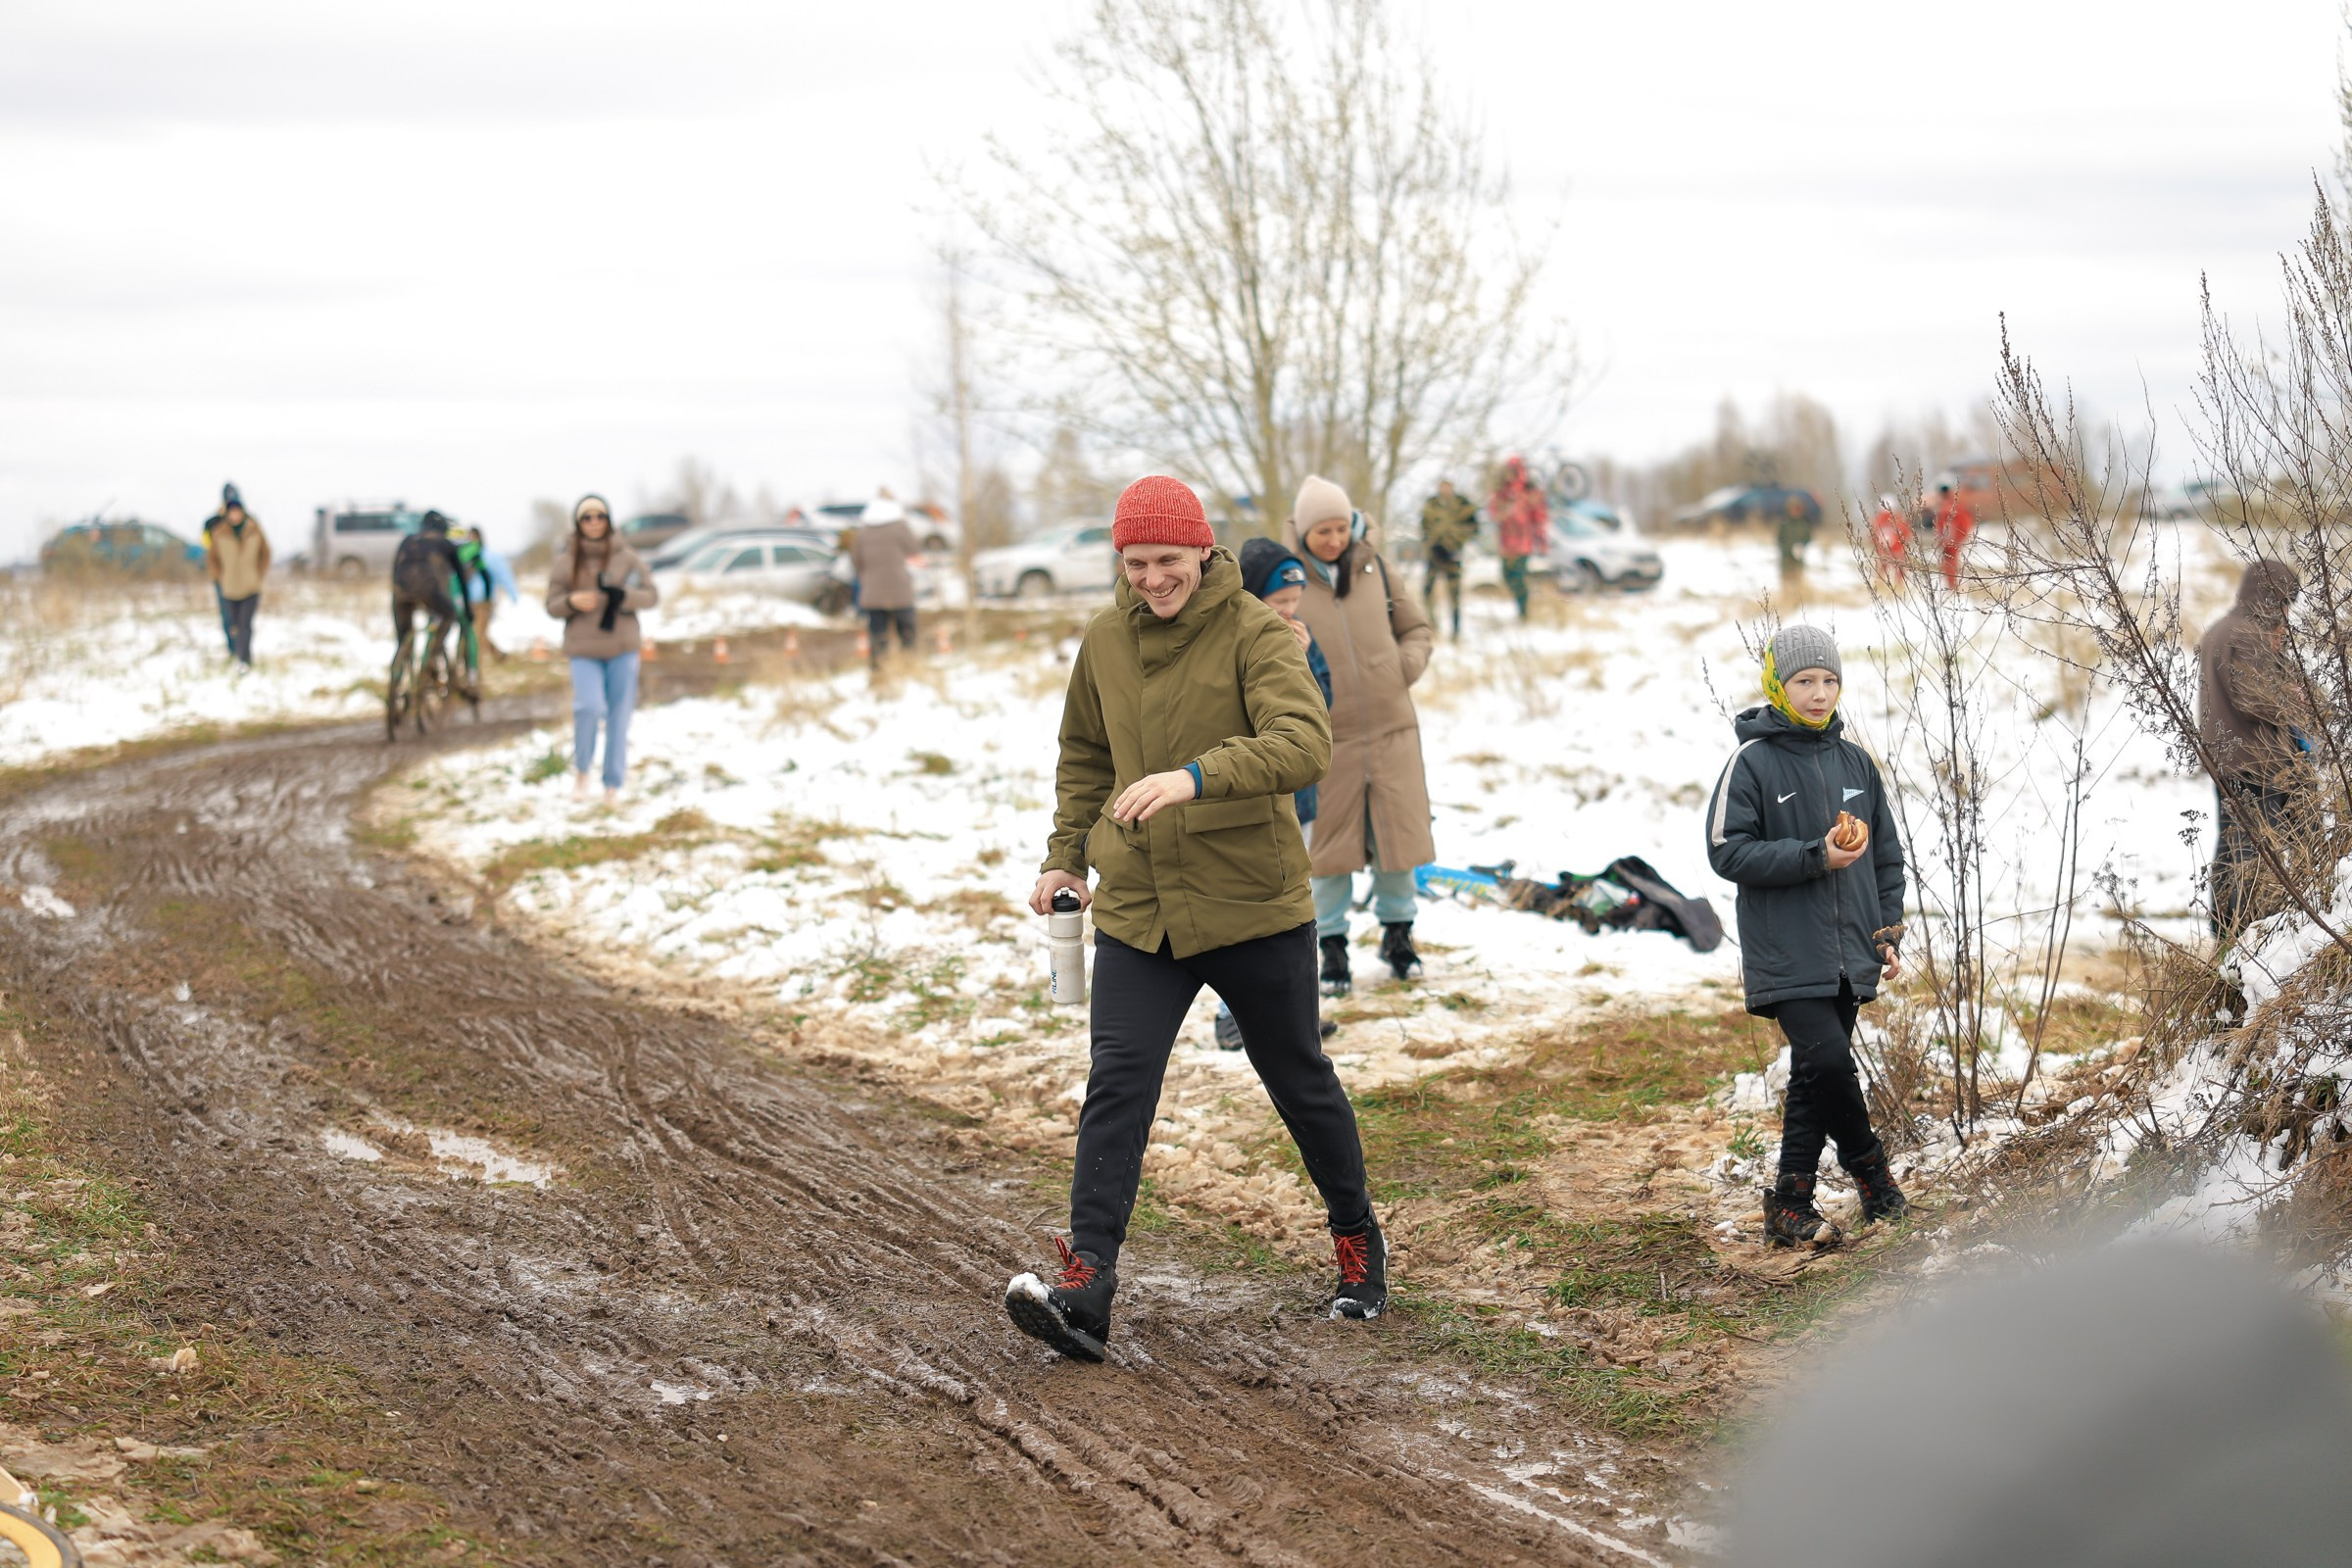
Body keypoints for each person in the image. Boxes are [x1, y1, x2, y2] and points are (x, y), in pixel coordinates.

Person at [1007, 475, 1383, 1362]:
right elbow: (1085, 757)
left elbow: (1304, 742)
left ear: (1204, 552)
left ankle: (1357, 1236)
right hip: (1141, 907)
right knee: (1120, 1079)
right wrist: (1066, 853)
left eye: (1167, 562)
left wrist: (1194, 776)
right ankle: (1087, 1281)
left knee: (1297, 1077)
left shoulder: (1256, 631)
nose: (1151, 580)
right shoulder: (1103, 641)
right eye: (1135, 564)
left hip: (1249, 899)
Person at [1705, 624, 1907, 1250]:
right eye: (1804, 681)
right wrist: (1813, 856)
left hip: (1850, 951)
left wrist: (1888, 931)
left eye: (1829, 681)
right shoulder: (1753, 762)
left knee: (1815, 1077)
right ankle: (1873, 1173)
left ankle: (1790, 1203)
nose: (1819, 694)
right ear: (1777, 684)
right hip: (1786, 950)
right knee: (1827, 1060)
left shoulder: (1856, 764)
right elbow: (1726, 851)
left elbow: (1887, 858)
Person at [1283, 475, 1436, 994]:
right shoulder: (1288, 580)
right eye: (1321, 530)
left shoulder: (1375, 566)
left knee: (1398, 841)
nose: (1333, 539)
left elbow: (1416, 628)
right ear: (1303, 532)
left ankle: (1399, 937)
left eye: (1340, 527)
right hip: (1327, 739)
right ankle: (1332, 949)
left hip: (1392, 728)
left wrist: (1401, 667)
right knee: (1328, 851)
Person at [1212, 537, 1340, 1052]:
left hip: (1298, 799)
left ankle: (1295, 1017)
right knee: (1245, 911)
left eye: (1294, 602)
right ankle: (1229, 1015)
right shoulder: (1233, 640)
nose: (1288, 612)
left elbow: (1321, 710)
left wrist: (1303, 660)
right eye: (1277, 602)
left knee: (1292, 910)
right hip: (1246, 800)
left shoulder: (1303, 640)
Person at [2198, 560, 2304, 937]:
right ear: (2271, 598)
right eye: (2286, 602)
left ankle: (2224, 929)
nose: (2287, 612)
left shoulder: (2222, 629)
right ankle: (2244, 930)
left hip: (2227, 757)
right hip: (2254, 760)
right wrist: (2298, 698)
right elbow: (2256, 699)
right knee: (2252, 851)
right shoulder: (2248, 635)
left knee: (2233, 844)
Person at [545, 494, 660, 803]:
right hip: (583, 648)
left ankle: (613, 783)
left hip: (622, 646)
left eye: (599, 516)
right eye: (587, 517)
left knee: (619, 715)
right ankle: (582, 771)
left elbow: (651, 595)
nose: (594, 522)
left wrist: (625, 597)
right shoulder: (566, 560)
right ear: (578, 523)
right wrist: (570, 602)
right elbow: (551, 605)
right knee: (589, 707)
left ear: (608, 520)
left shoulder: (627, 557)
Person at [390, 511, 486, 696]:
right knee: (448, 615)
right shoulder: (444, 543)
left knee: (403, 639)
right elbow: (462, 581)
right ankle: (432, 657)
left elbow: (395, 572)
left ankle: (397, 677)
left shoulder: (407, 541)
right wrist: (467, 609)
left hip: (401, 591)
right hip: (429, 590)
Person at [848, 497, 922, 666]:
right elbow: (914, 549)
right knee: (907, 633)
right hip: (900, 590)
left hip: (872, 593)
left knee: (877, 636)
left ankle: (879, 671)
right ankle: (909, 666)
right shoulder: (899, 527)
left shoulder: (862, 532)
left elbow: (855, 561)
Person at [205, 485, 270, 669]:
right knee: (230, 621)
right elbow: (208, 551)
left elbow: (264, 552)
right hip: (226, 582)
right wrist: (218, 576)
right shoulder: (214, 523)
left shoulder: (252, 526)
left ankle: (244, 657)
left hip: (249, 583)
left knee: (245, 623)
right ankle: (234, 651)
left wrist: (258, 574)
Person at [1487, 456, 1548, 620]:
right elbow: (1493, 513)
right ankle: (1520, 606)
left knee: (1518, 577)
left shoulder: (1529, 492)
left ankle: (1524, 612)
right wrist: (1502, 512)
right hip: (1506, 543)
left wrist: (1541, 541)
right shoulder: (1501, 493)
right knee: (1507, 576)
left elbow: (1539, 518)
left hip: (1523, 542)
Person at [1418, 478, 1479, 640]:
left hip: (1453, 554)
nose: (1444, 490)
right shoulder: (1431, 504)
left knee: (1454, 596)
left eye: (1447, 487)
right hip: (1434, 554)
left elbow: (1474, 527)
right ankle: (1433, 625)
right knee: (1427, 592)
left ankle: (1456, 633)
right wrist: (1429, 542)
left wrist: (1457, 539)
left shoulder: (1462, 504)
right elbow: (1423, 526)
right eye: (1441, 487)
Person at [461, 526, 519, 660]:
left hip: (483, 602)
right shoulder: (463, 555)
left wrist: (513, 594)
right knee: (475, 632)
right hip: (467, 601)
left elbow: (504, 575)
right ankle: (497, 653)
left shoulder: (489, 556)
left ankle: (476, 672)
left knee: (477, 635)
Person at [200, 483, 243, 656]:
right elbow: (206, 544)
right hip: (222, 576)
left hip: (242, 576)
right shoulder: (213, 522)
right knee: (228, 615)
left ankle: (242, 649)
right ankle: (233, 649)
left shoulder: (245, 522)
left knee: (242, 615)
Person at [1933, 481, 1975, 589]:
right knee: (1951, 563)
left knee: (1950, 563)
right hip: (1952, 539)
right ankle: (1952, 585)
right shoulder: (1953, 505)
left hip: (1951, 540)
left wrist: (1950, 539)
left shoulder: (1947, 508)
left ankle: (1952, 586)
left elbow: (1950, 525)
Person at [1868, 495, 1912, 585]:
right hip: (1898, 550)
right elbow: (1906, 534)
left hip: (1883, 551)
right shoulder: (1898, 518)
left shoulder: (1878, 519)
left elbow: (1871, 534)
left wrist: (1877, 546)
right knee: (1899, 569)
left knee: (1882, 568)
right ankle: (1899, 585)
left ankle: (1880, 585)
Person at [1777, 491, 1816, 576]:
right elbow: (1780, 539)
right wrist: (1789, 549)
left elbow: (1808, 537)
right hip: (1786, 559)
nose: (1795, 512)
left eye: (1798, 509)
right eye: (1793, 509)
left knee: (1798, 579)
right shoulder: (1784, 522)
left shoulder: (1805, 523)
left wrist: (1801, 546)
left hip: (1799, 559)